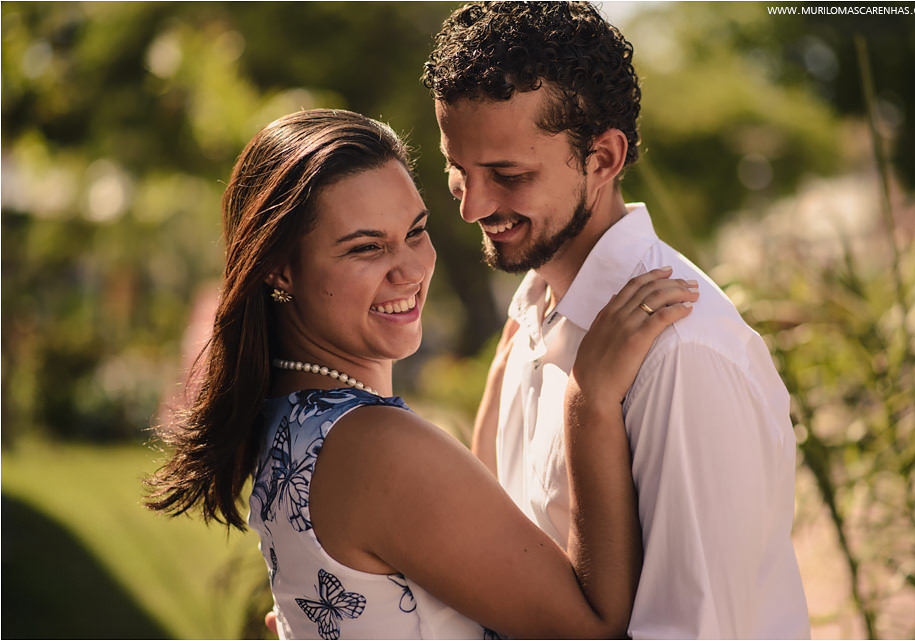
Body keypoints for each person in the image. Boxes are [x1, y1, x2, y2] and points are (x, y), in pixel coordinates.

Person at [146, 108, 698, 638]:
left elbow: (464, 524)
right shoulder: (377, 446)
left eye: (415, 231)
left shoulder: (292, 415)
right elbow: (593, 626)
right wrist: (589, 399)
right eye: (366, 248)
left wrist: (510, 354)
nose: (409, 269)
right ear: (280, 268)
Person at [421, 2, 811, 638]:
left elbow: (692, 629)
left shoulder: (681, 353)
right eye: (457, 172)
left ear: (602, 159)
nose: (474, 208)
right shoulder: (532, 310)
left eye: (508, 175)